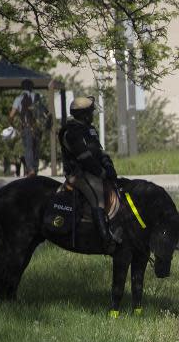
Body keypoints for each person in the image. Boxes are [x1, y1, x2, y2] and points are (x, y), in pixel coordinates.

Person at [58, 96, 117, 251]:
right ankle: (105, 239)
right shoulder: (71, 132)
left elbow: (98, 151)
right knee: (97, 197)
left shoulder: (89, 130)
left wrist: (109, 165)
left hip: (92, 171)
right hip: (78, 174)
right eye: (90, 112)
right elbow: (84, 158)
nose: (92, 115)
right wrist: (102, 173)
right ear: (84, 115)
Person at [10, 79, 50, 177]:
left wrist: (12, 125)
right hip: (38, 127)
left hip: (26, 127)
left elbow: (12, 115)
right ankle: (35, 170)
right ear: (32, 87)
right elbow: (47, 113)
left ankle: (31, 169)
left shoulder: (19, 98)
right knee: (36, 149)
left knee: (28, 148)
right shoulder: (38, 97)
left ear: (22, 87)